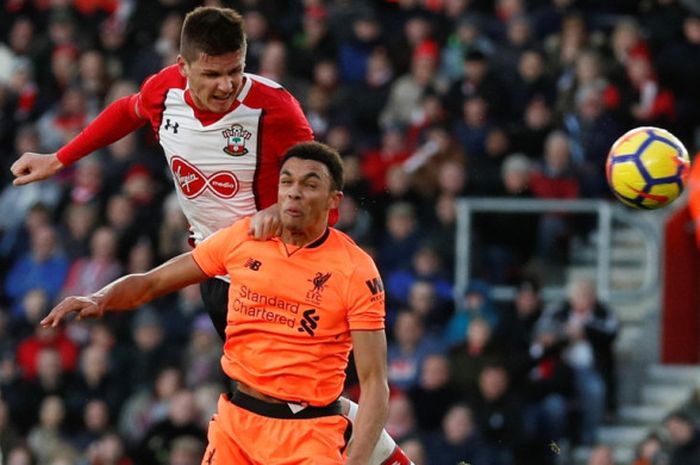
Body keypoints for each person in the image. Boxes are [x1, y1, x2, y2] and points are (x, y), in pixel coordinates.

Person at [11, 7, 410, 464]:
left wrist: (280, 213)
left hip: (280, 270)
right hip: (219, 267)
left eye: (236, 70)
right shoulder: (164, 92)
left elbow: (316, 178)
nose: (226, 85)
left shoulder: (274, 107)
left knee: (295, 399)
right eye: (213, 73)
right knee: (284, 399)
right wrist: (60, 159)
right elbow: (126, 110)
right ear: (183, 68)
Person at [41, 142, 390, 465]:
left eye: (310, 184)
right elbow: (152, 283)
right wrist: (99, 297)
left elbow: (375, 383)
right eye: (287, 181)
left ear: (334, 200)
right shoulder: (243, 239)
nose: (295, 191)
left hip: (309, 432)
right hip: (237, 424)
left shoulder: (355, 270)